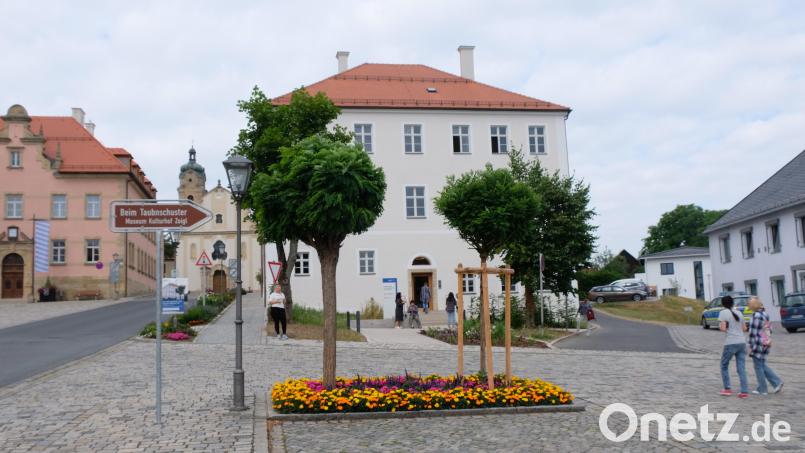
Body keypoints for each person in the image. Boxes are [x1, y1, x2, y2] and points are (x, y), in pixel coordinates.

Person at [747, 297, 784, 395]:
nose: (748, 306)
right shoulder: (765, 314)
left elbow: (753, 333)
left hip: (758, 343)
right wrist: (767, 339)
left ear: (753, 305)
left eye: (749, 304)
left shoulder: (755, 316)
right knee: (761, 364)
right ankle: (776, 382)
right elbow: (769, 330)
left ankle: (762, 389)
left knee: (758, 366)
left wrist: (750, 345)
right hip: (765, 342)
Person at [718, 295, 749, 398]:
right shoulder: (739, 313)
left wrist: (724, 327)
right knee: (741, 368)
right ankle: (744, 391)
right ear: (732, 303)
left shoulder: (723, 313)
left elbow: (723, 328)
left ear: (723, 304)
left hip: (730, 342)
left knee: (724, 365)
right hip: (741, 342)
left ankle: (727, 389)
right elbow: (744, 329)